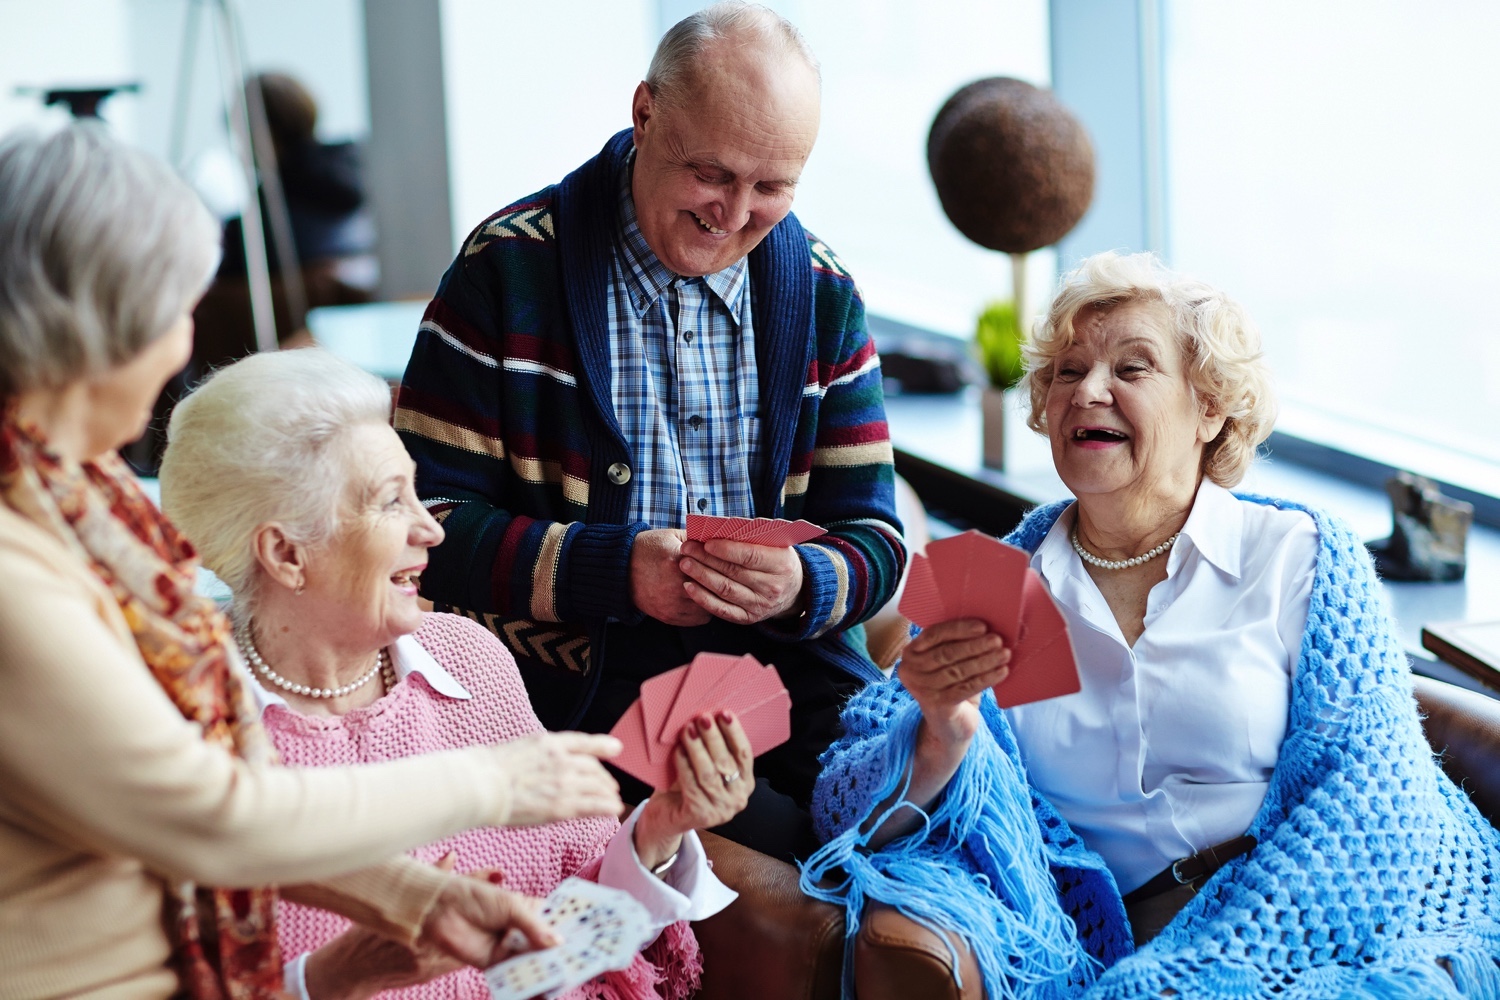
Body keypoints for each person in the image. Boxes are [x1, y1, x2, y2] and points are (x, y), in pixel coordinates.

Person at [0, 123, 626, 999]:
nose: (186, 342)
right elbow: (211, 819)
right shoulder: (16, 564)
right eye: (178, 311)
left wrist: (408, 896)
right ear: (102, 328)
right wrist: (495, 779)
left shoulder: (68, 496)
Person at [803, 252, 1500, 997]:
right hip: (1076, 945)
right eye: (1067, 372)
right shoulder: (990, 582)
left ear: (1209, 408)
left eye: (1132, 369)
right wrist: (939, 733)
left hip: (1303, 931)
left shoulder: (1306, 560)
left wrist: (1191, 978)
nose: (1088, 391)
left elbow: (1371, 805)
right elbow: (843, 814)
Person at [393, 2, 905, 860]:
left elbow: (878, 540)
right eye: (711, 173)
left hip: (798, 677)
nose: (735, 215)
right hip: (578, 690)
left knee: (921, 826)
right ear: (644, 115)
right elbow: (417, 532)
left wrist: (801, 582)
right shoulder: (507, 270)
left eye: (772, 187)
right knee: (797, 856)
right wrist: (614, 571)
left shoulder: (822, 291)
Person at [162, 347, 752, 1000]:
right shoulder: (189, 743)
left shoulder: (469, 658)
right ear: (285, 553)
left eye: (418, 492)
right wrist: (339, 978)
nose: (432, 530)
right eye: (391, 503)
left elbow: (566, 935)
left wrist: (659, 831)